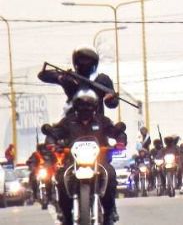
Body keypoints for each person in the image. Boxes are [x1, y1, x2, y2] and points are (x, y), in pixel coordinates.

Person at [43, 89, 126, 225]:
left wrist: (120, 142)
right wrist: (51, 143)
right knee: (61, 178)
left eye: (88, 106)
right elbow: (54, 133)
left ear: (95, 107)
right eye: (82, 107)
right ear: (76, 107)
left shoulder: (102, 121)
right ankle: (66, 216)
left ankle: (109, 213)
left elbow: (116, 132)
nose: (85, 109)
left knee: (110, 175)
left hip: (98, 161)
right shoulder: (68, 122)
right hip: (73, 161)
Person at [38, 47, 119, 115]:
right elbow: (43, 75)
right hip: (71, 120)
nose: (85, 64)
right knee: (53, 132)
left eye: (88, 60)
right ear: (76, 61)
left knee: (117, 132)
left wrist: (110, 99)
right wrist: (60, 77)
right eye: (82, 60)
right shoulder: (69, 76)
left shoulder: (103, 79)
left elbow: (113, 104)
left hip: (97, 119)